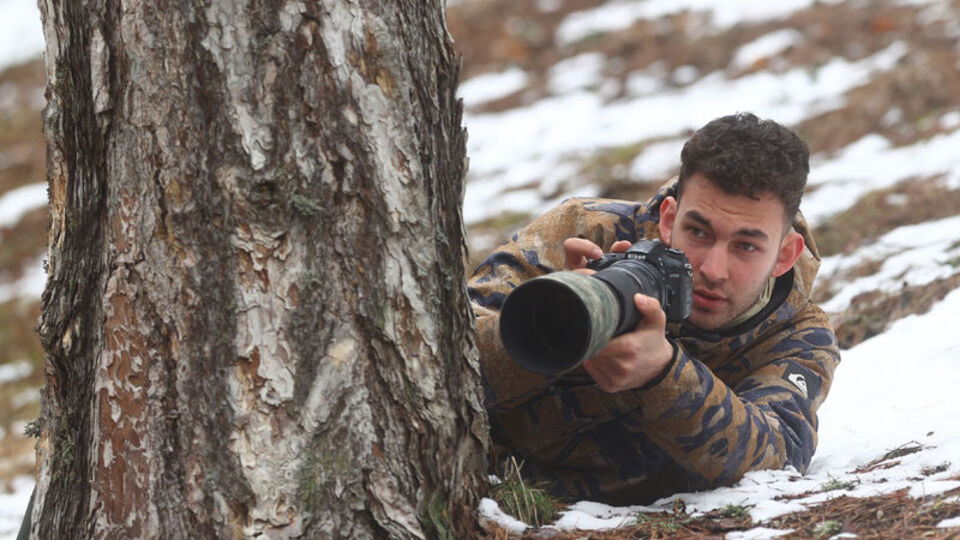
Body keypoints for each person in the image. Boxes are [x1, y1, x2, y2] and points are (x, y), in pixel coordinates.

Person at [467, 112, 840, 504]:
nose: (712, 270)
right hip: (478, 484)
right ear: (668, 218)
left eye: (746, 246)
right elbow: (441, 357)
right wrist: (562, 316)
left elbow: (777, 457)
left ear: (784, 255)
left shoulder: (798, 337)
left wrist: (664, 375)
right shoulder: (587, 231)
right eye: (697, 232)